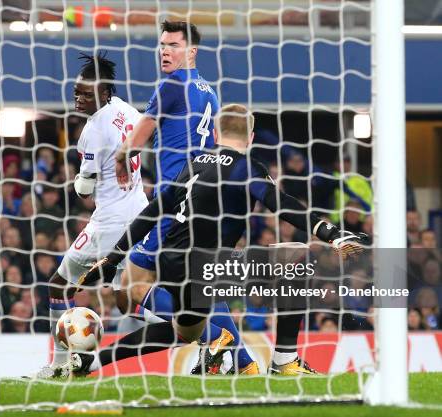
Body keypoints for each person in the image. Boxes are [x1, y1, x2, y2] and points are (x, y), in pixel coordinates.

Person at [63, 104, 368, 376]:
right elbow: (282, 204)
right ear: (250, 138)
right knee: (298, 256)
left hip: (172, 268)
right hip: (209, 266)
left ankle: (94, 362)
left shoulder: (194, 164)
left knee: (182, 332)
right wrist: (332, 233)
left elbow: (152, 212)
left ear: (216, 133)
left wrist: (113, 257)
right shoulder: (246, 168)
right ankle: (285, 359)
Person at [113, 20, 255, 375]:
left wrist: (118, 159)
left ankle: (212, 336)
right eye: (162, 44)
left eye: (173, 45)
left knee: (129, 287)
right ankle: (246, 364)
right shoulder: (210, 92)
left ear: (191, 51)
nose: (165, 51)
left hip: (172, 203)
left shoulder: (173, 84)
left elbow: (137, 138)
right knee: (203, 290)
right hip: (203, 204)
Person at [35, 52, 149, 379]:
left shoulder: (93, 131)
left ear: (104, 93)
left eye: (87, 94)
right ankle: (201, 333)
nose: (79, 99)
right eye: (77, 92)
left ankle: (197, 333)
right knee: (131, 295)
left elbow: (84, 190)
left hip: (110, 221)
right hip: (140, 209)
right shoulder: (127, 109)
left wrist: (77, 180)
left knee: (66, 286)